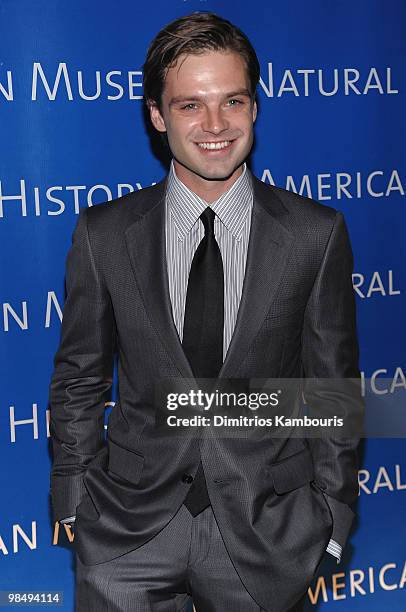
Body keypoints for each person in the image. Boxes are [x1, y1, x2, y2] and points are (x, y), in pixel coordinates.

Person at [49, 11, 362, 612]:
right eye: (191, 105)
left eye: (233, 101)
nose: (215, 125)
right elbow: (80, 376)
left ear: (255, 107)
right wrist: (72, 495)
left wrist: (332, 514)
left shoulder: (315, 234)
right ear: (158, 116)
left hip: (268, 528)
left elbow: (331, 389)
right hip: (126, 529)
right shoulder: (104, 233)